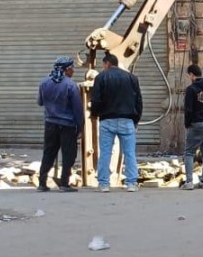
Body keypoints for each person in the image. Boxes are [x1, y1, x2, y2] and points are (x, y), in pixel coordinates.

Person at [89, 52, 142, 193]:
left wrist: (94, 115)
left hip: (107, 120)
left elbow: (96, 100)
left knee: (105, 153)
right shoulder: (132, 78)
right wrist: (136, 120)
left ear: (107, 63)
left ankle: (104, 184)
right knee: (129, 153)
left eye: (103, 65)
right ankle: (131, 183)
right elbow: (138, 101)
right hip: (127, 120)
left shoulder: (101, 77)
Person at [36, 55, 83, 192]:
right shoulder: (71, 85)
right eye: (72, 68)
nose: (73, 71)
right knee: (68, 154)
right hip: (67, 126)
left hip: (50, 124)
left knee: (48, 153)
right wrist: (80, 127)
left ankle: (42, 183)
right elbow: (77, 109)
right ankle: (64, 183)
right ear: (66, 69)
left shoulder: (44, 83)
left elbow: (40, 102)